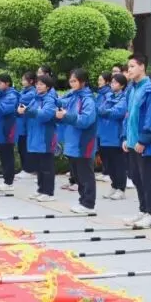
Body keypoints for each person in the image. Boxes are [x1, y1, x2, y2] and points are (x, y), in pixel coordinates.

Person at [123, 54, 151, 230]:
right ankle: (143, 210)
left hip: (144, 144)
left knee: (148, 179)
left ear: (142, 67)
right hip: (132, 142)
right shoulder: (132, 89)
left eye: (132, 66)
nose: (129, 70)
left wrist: (144, 139)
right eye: (128, 67)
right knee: (137, 178)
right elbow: (128, 115)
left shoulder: (149, 90)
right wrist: (125, 137)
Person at [58, 69, 98, 214]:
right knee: (77, 174)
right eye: (71, 81)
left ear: (83, 82)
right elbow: (60, 103)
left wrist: (66, 115)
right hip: (73, 141)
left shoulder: (88, 100)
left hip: (83, 142)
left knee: (85, 174)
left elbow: (86, 120)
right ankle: (83, 201)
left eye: (75, 81)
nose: (72, 83)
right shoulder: (73, 96)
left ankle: (88, 203)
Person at [18, 74, 59, 201]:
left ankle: (48, 192)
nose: (38, 86)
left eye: (41, 84)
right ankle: (41, 189)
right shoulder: (36, 98)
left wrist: (28, 111)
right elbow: (29, 110)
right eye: (37, 84)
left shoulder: (50, 99)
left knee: (47, 165)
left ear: (48, 86)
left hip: (45, 136)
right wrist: (22, 110)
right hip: (35, 135)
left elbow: (46, 114)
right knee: (39, 165)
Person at [98, 73, 129, 200]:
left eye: (115, 83)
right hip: (104, 134)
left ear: (122, 85)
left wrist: (103, 112)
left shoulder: (124, 98)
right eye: (112, 82)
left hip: (115, 136)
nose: (112, 84)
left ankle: (121, 188)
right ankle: (114, 185)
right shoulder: (108, 96)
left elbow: (118, 112)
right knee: (108, 163)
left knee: (118, 164)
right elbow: (100, 108)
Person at [0, 74, 21, 193]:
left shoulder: (11, 95)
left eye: (0, 83)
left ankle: (9, 182)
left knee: (7, 155)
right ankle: (6, 180)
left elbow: (3, 109)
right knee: (4, 155)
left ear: (7, 83)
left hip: (8, 129)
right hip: (1, 128)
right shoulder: (1, 94)